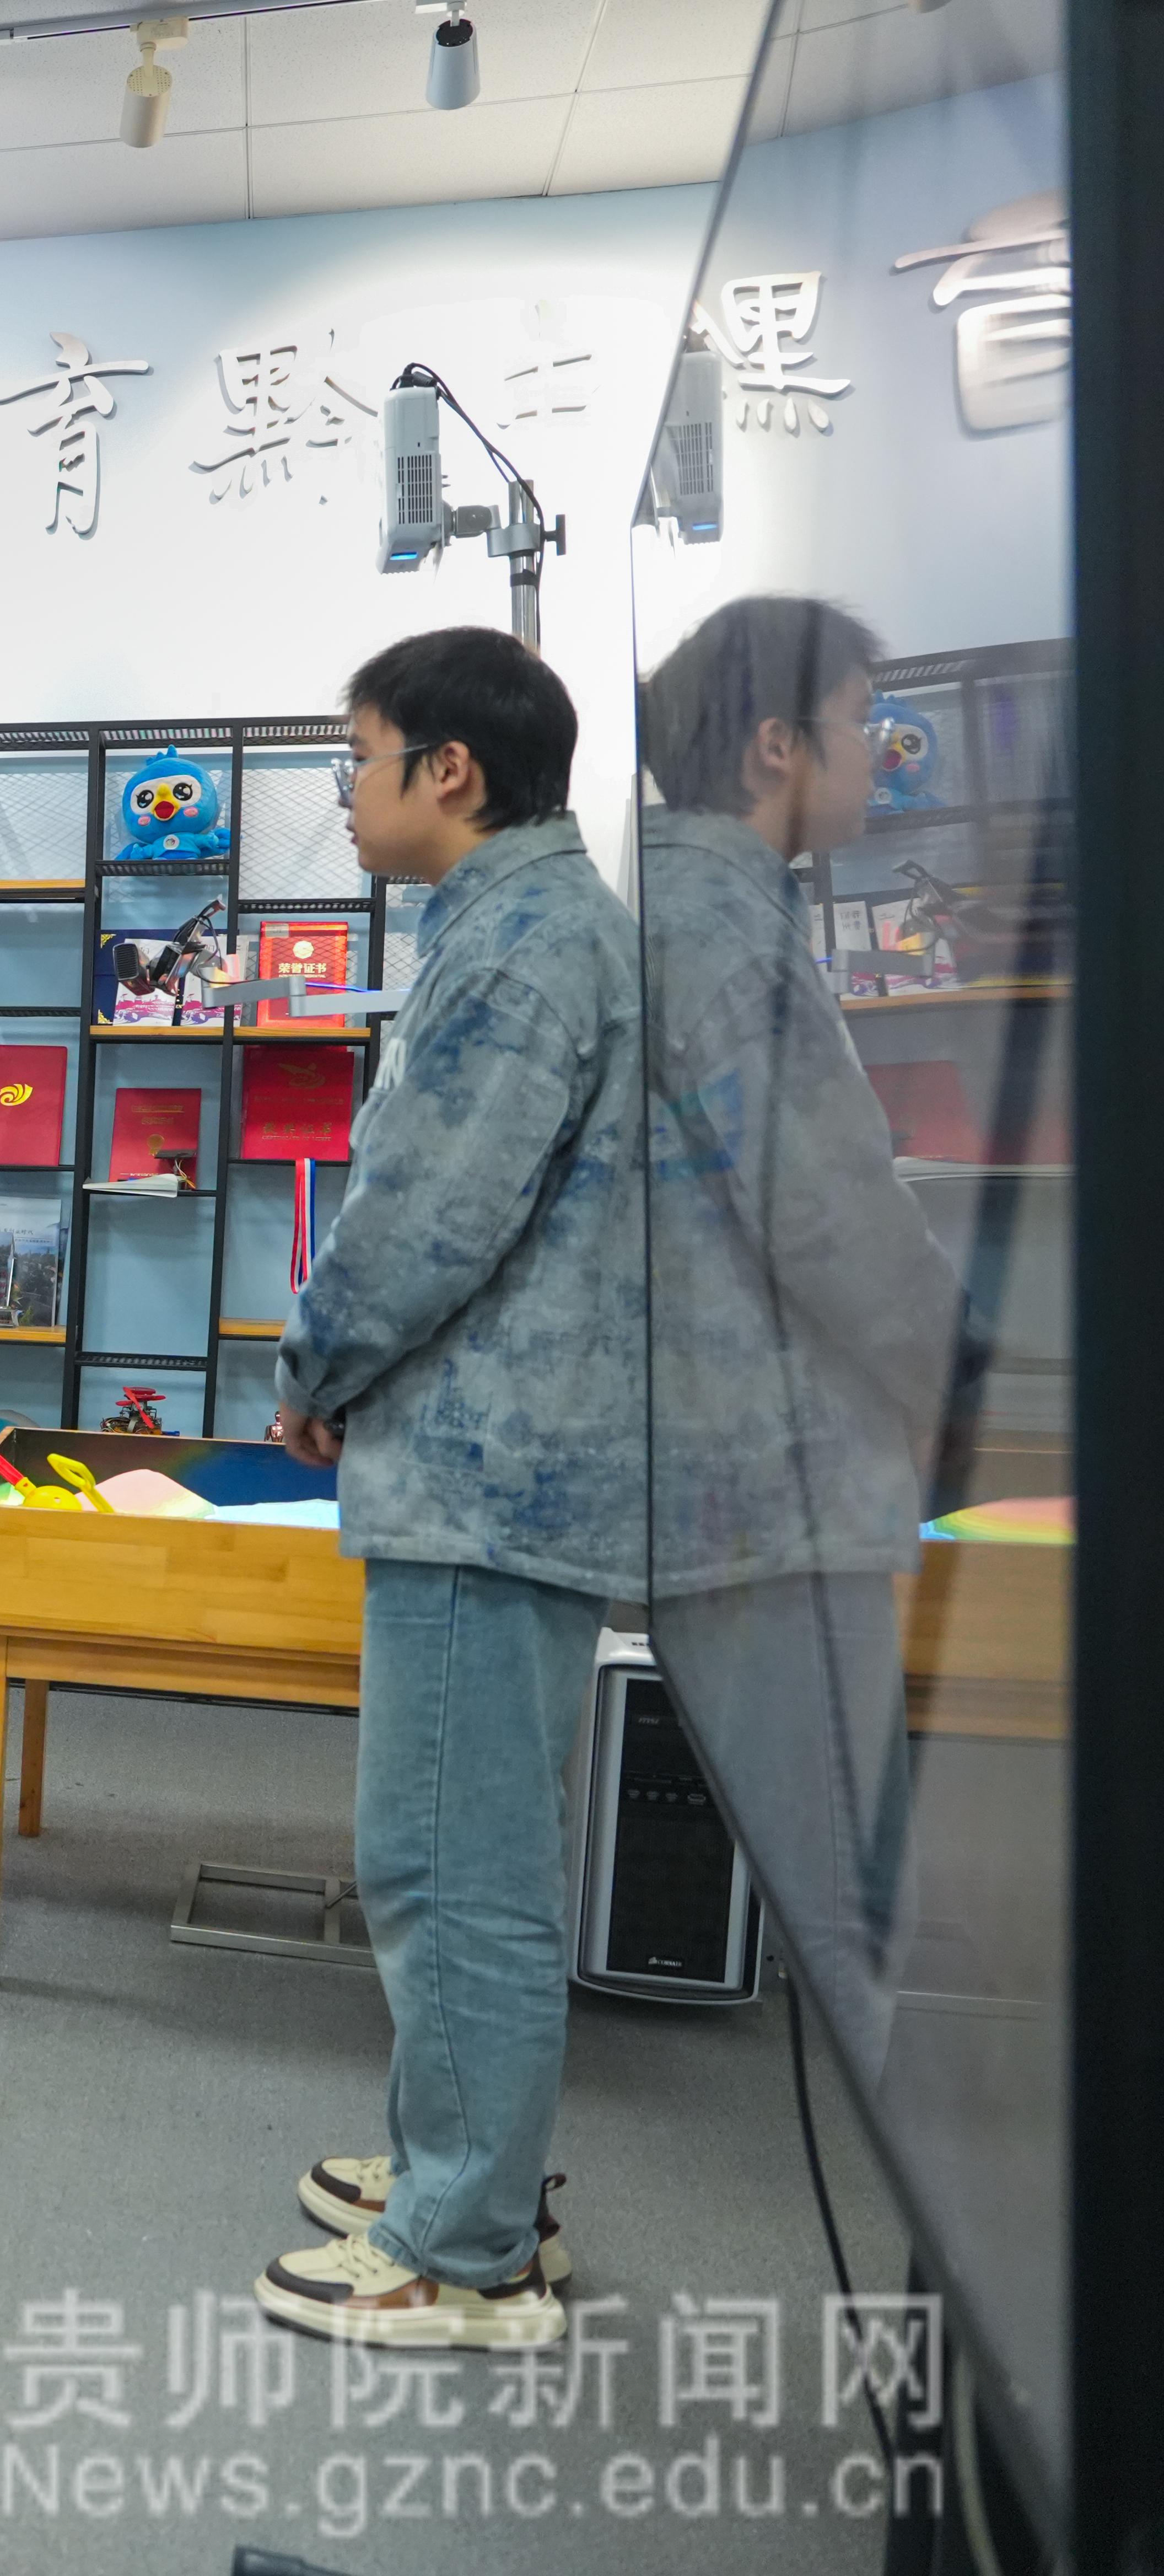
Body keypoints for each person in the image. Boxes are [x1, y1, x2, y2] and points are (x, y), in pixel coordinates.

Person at [256, 626, 643, 2351]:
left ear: (450, 770)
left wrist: (313, 1368)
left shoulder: (527, 948)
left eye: (357, 757)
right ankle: (457, 2167)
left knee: (449, 1862)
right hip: (499, 1461)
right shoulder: (524, 926)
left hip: (491, 1479)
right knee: (456, 1847)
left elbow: (423, 1216)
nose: (344, 794)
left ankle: (469, 2251)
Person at [632, 597, 970, 2084]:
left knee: (833, 1868)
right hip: (772, 1473)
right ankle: (902, 2205)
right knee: (844, 1883)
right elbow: (828, 1208)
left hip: (738, 1456)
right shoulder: (720, 933)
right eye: (858, 724)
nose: (878, 755)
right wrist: (954, 1377)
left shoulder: (690, 909)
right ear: (776, 744)